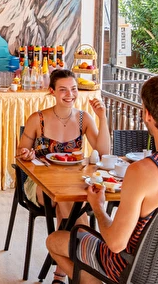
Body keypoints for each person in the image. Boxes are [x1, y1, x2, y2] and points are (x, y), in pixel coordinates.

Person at [45, 73, 158, 284]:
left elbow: (115, 244)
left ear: (147, 114)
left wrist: (98, 208)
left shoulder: (144, 171)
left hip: (134, 270)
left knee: (55, 241)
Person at [17, 68, 111, 283]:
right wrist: (26, 154)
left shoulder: (84, 119)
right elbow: (21, 153)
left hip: (72, 183)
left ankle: (63, 274)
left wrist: (103, 117)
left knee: (67, 203)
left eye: (74, 89)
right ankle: (87, 264)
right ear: (52, 91)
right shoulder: (37, 119)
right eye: (63, 90)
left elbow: (104, 152)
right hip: (39, 185)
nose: (70, 94)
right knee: (71, 203)